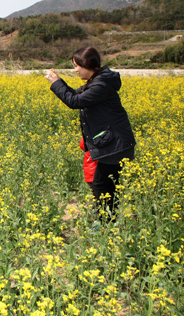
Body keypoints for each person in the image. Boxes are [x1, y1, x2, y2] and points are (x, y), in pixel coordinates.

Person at [45, 47, 135, 223]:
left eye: (77, 66)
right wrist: (58, 82)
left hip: (114, 145)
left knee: (102, 184)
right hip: (112, 142)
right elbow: (76, 95)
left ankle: (104, 223)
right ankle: (104, 218)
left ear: (87, 64)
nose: (76, 70)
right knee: (104, 184)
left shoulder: (100, 85)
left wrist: (56, 82)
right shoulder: (97, 81)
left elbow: (74, 101)